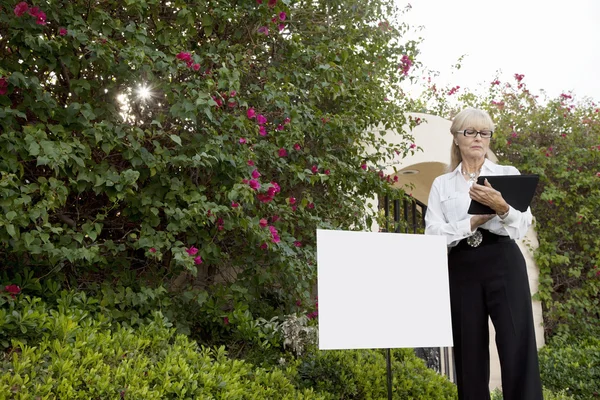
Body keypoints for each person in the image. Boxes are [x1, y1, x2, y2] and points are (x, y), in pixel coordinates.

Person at [424, 108, 543, 400]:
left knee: (517, 342)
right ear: (456, 138)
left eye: (484, 132)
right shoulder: (443, 184)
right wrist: (471, 222)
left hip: (503, 259)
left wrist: (502, 207)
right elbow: (433, 235)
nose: (478, 138)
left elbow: (522, 225)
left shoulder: (506, 175)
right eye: (471, 132)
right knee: (469, 350)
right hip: (462, 265)